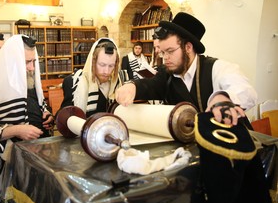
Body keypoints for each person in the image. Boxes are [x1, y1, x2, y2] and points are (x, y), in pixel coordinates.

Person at [116, 12, 257, 126]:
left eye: (170, 51)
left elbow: (247, 91)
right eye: (163, 52)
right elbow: (150, 85)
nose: (165, 58)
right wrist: (132, 87)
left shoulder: (216, 68)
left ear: (188, 47)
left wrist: (223, 98)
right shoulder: (168, 74)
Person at [0, 34, 54, 203]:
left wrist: (48, 115)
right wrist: (16, 130)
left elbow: (38, 106)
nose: (31, 69)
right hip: (5, 171)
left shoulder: (30, 82)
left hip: (33, 164)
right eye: (26, 62)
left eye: (34, 62)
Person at [59, 37, 125, 117]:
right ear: (93, 62)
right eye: (102, 65)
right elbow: (64, 117)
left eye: (111, 66)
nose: (106, 71)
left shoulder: (120, 83)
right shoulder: (73, 82)